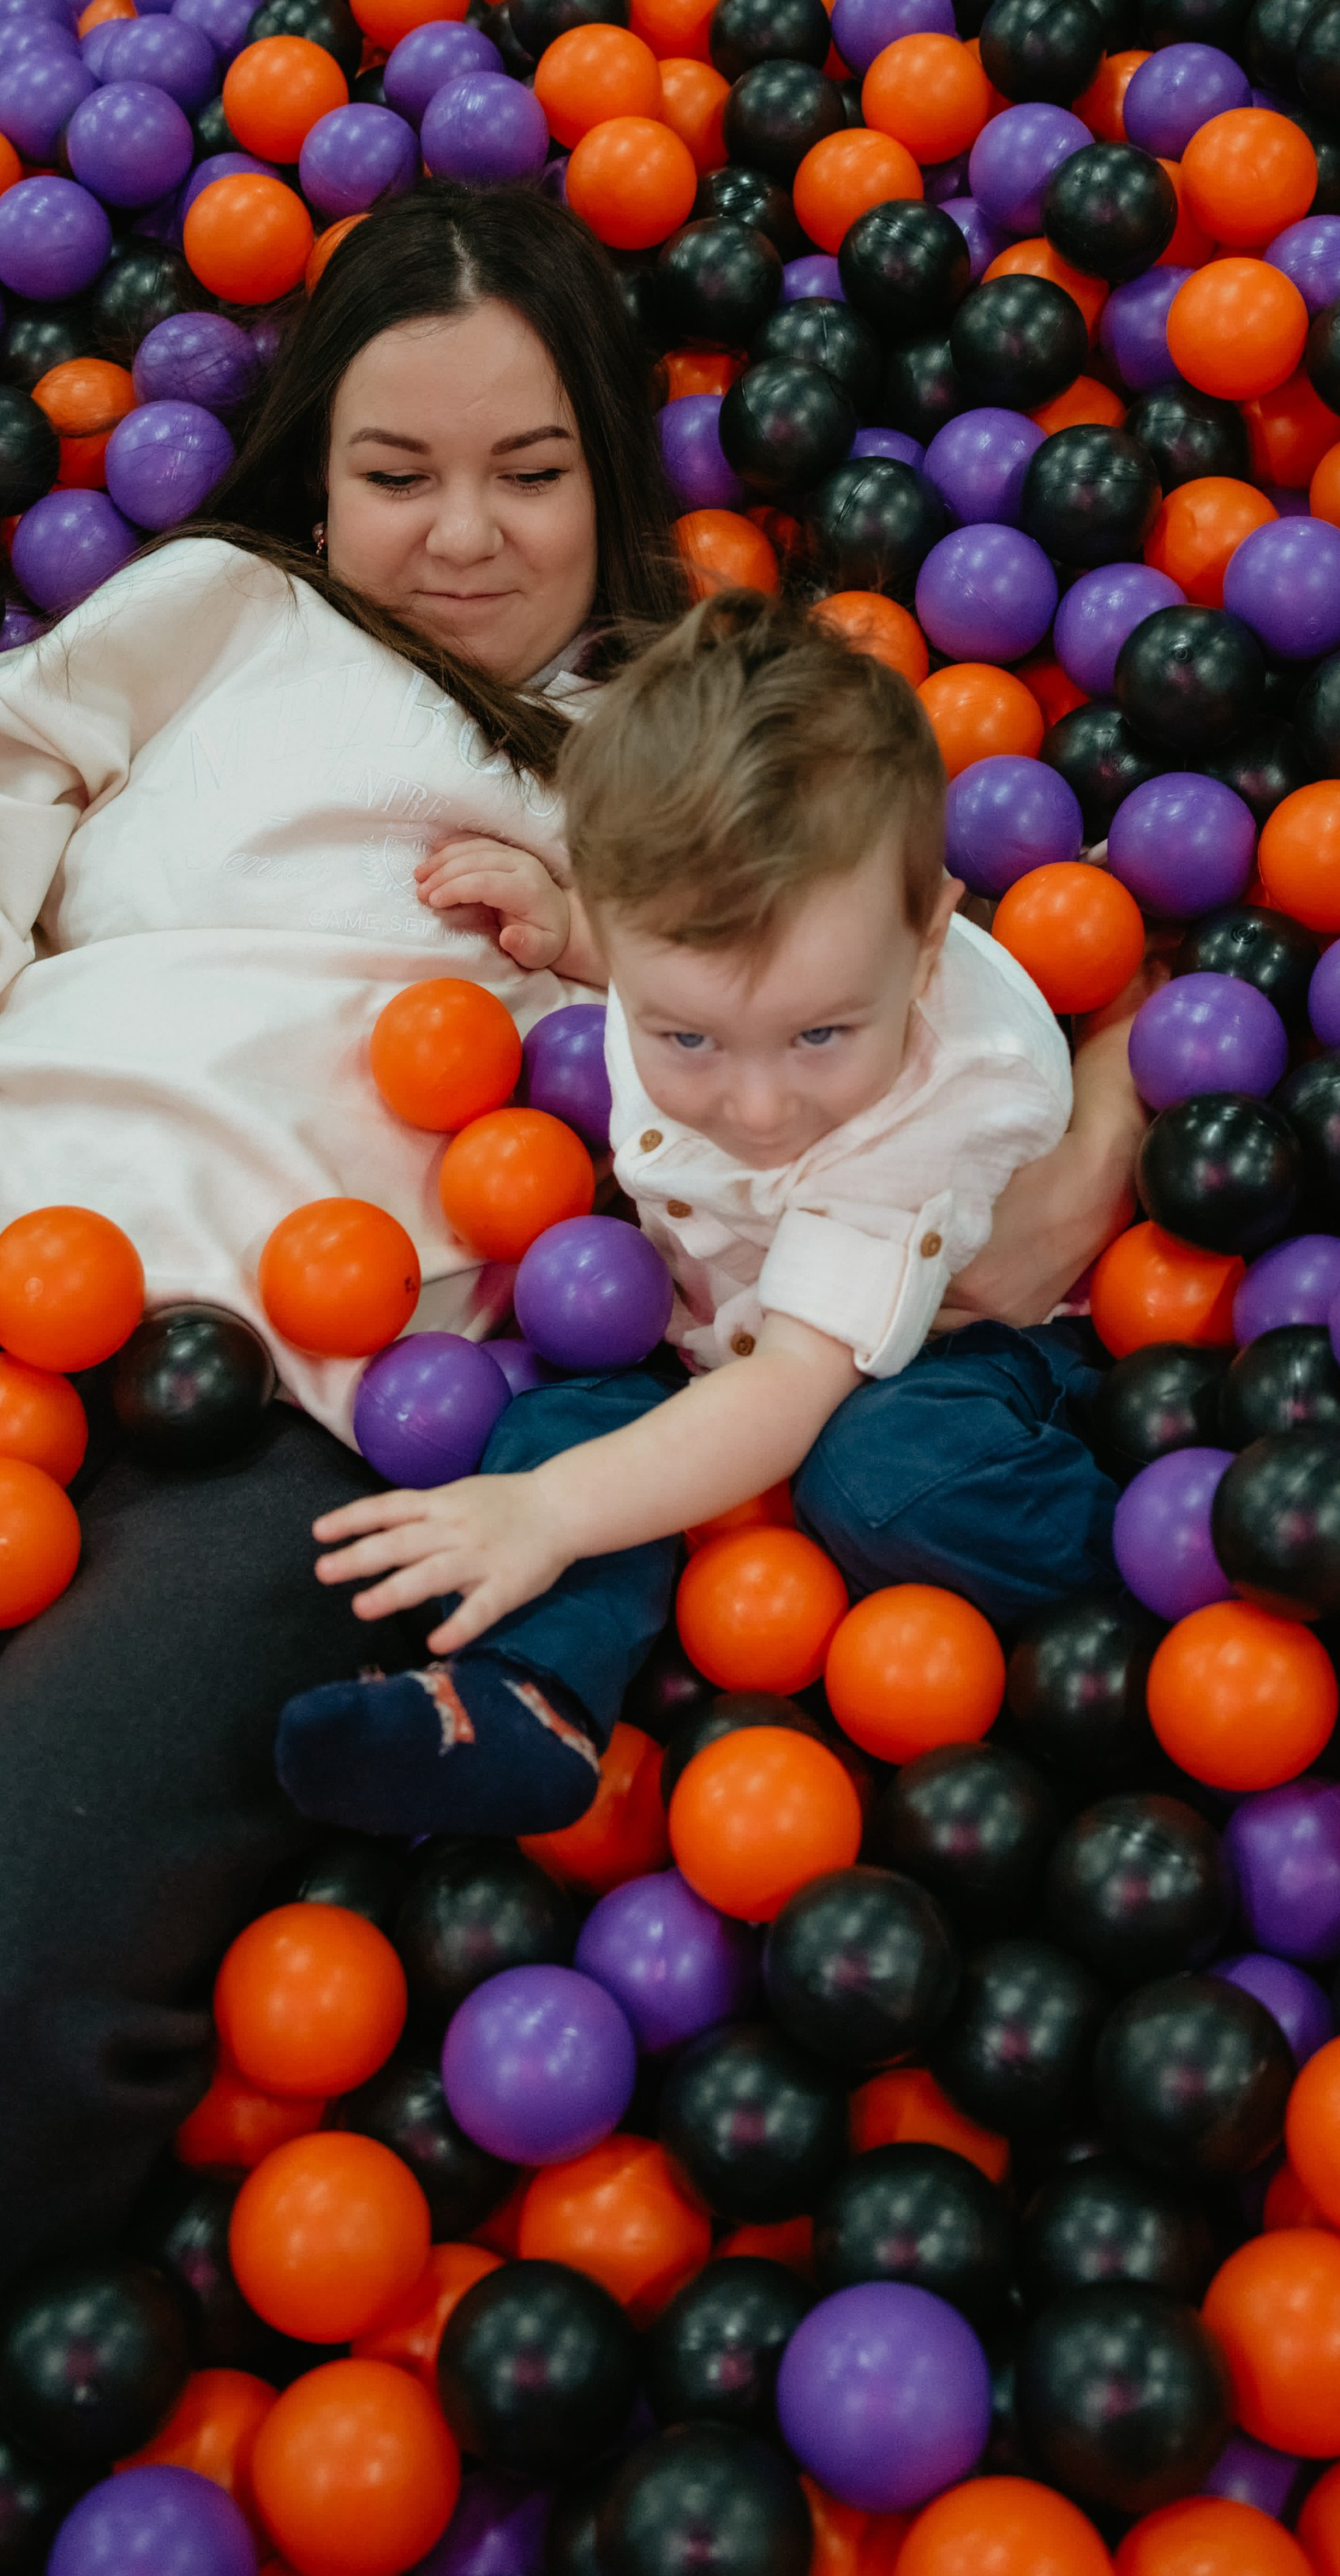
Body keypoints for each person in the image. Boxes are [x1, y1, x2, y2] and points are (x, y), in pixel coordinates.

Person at [0, 185, 691, 2470]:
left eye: (531, 469)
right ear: (311, 471)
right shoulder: (213, 612)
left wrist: (616, 941)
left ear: (612, 470)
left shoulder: (686, 739)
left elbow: (910, 1009)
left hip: (307, 1414)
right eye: (397, 471)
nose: (464, 534)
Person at [278, 592, 1130, 1839]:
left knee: (883, 1475)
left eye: (823, 1033)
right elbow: (673, 968)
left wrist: (553, 1511)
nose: (759, 1101)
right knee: (567, 1397)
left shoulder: (935, 1103)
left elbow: (791, 1392)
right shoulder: (716, 954)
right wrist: (570, 934)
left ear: (930, 941)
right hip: (709, 1321)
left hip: (950, 1349)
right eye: (686, 1035)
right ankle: (525, 1705)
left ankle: (1141, 1584)